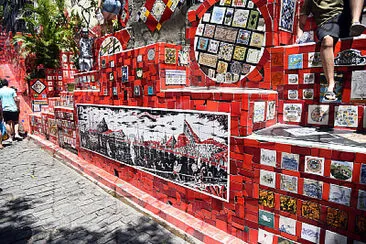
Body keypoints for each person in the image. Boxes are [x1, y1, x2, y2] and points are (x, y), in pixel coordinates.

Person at [297, 0, 366, 102]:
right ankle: (331, 85)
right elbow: (301, 22)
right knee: (327, 41)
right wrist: (299, 39)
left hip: (344, 16)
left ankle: (355, 21)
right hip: (326, 23)